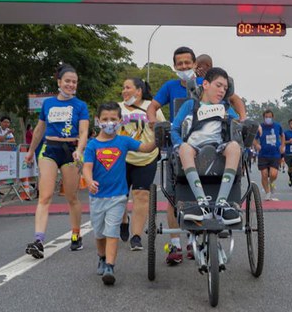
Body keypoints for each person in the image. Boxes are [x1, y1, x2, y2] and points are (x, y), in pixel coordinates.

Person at [83, 102, 157, 285]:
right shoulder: (92, 146)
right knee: (99, 233)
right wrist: (89, 181)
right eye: (105, 119)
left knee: (112, 231)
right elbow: (87, 167)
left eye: (113, 119)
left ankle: (110, 265)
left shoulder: (123, 141)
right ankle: (101, 257)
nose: (109, 123)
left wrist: (158, 137)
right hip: (97, 197)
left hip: (118, 196)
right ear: (98, 121)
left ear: (120, 121)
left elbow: (145, 148)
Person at [24, 65, 90, 259]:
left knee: (72, 197)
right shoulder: (48, 104)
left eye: (74, 82)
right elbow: (39, 130)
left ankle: (76, 234)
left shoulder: (80, 105)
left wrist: (79, 150)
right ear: (59, 82)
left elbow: (84, 131)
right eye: (67, 81)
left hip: (71, 151)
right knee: (44, 196)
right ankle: (38, 240)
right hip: (49, 150)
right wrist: (29, 152)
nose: (71, 84)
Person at [171, 67, 242, 226]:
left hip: (218, 147)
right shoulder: (190, 105)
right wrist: (179, 144)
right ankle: (201, 203)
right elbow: (174, 129)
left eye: (225, 88)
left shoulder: (226, 108)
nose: (222, 91)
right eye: (218, 85)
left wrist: (250, 125)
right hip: (193, 147)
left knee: (235, 147)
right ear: (205, 84)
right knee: (184, 148)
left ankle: (221, 205)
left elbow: (239, 125)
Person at [117, 77, 162, 251]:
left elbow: (160, 130)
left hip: (146, 157)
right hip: (122, 159)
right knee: (120, 197)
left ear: (139, 90)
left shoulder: (152, 107)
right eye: (123, 88)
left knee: (141, 195)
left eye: (128, 87)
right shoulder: (117, 108)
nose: (124, 90)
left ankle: (136, 236)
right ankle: (123, 221)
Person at [255, 110, 284, 201]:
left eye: (270, 117)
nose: (268, 118)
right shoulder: (260, 127)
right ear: (264, 117)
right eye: (266, 117)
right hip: (263, 154)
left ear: (272, 117)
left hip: (275, 153)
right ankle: (268, 193)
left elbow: (282, 135)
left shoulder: (277, 126)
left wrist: (282, 145)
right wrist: (256, 145)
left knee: (273, 174)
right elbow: (254, 138)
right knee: (264, 174)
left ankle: (271, 182)